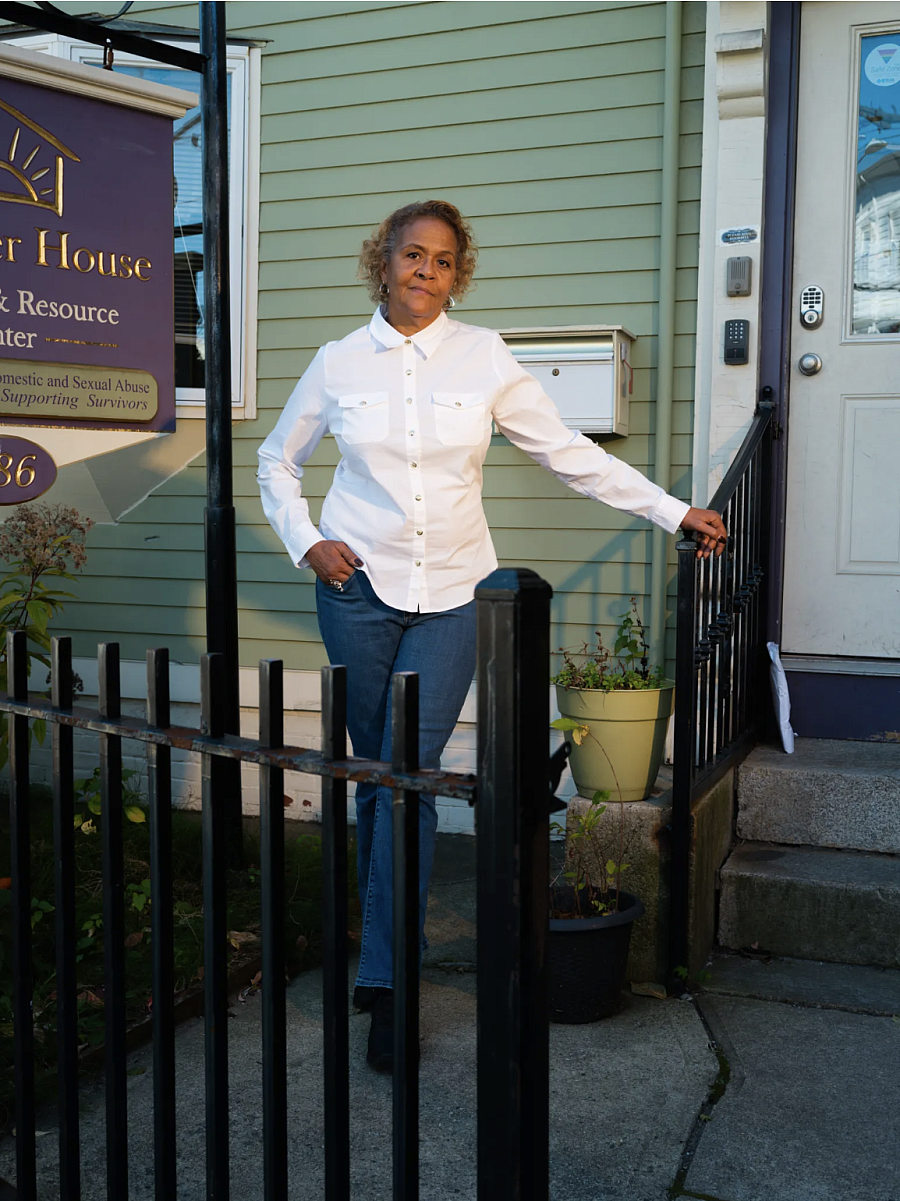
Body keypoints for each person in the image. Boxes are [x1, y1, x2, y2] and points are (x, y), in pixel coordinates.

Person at [257, 199, 726, 1073]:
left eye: (442, 260)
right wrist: (305, 537)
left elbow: (568, 451)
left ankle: (389, 985)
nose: (425, 271)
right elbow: (275, 461)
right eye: (410, 255)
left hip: (453, 596)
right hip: (354, 589)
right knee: (373, 779)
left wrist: (671, 510)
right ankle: (376, 957)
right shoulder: (337, 361)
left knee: (406, 780)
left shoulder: (484, 357)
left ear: (456, 274)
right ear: (383, 262)